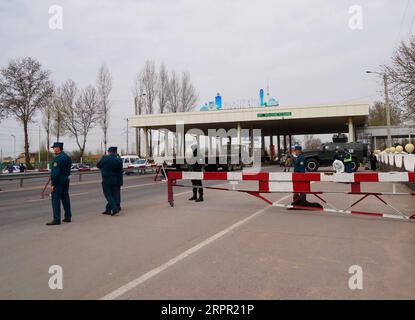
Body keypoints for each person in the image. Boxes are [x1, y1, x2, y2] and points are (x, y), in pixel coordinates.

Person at [46, 142, 72, 226]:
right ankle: (68, 217)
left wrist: (53, 183)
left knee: (55, 200)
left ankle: (56, 219)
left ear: (58, 148)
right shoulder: (67, 157)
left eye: (54, 147)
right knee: (65, 198)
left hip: (59, 181)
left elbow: (56, 172)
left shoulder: (58, 158)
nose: (53, 149)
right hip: (65, 180)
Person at [97, 146, 123, 216]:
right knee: (114, 195)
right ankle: (108, 210)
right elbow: (120, 170)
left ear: (109, 152)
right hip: (115, 180)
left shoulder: (105, 158)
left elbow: (98, 165)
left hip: (106, 179)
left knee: (108, 195)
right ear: (115, 152)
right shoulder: (118, 160)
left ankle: (115, 209)